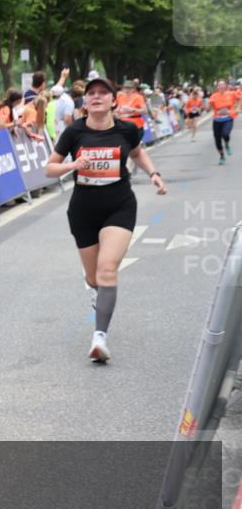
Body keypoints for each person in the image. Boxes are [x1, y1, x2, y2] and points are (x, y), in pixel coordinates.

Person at [45, 77, 167, 363]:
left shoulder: (127, 129)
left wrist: (154, 174)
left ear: (114, 101)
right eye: (91, 94)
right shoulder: (74, 132)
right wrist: (72, 165)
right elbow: (49, 169)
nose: (96, 97)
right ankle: (96, 291)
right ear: (85, 102)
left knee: (107, 269)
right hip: (83, 208)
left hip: (119, 205)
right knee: (93, 277)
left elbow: (137, 153)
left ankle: (99, 337)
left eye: (103, 93)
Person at [208, 80, 237, 165]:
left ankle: (227, 144)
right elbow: (208, 108)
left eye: (222, 85)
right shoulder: (213, 96)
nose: (221, 87)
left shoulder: (231, 94)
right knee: (217, 141)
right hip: (217, 120)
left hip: (228, 118)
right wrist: (209, 105)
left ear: (226, 86)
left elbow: (239, 99)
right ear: (217, 87)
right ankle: (222, 156)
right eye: (219, 85)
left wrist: (237, 108)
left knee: (225, 134)